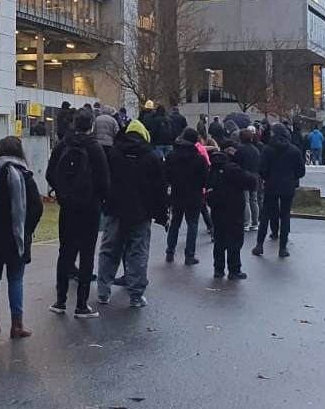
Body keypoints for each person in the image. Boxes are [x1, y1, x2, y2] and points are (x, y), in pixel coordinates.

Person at [95, 120, 167, 308]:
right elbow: (159, 189)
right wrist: (161, 215)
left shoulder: (114, 153)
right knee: (138, 253)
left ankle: (103, 291)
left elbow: (104, 180)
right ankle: (136, 294)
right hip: (141, 212)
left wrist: (104, 203)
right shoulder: (152, 157)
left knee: (109, 251)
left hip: (115, 209)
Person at [47, 110, 110, 318]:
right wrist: (98, 198)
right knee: (86, 253)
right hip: (90, 207)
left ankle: (60, 300)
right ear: (91, 125)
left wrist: (62, 193)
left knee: (65, 252)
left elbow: (50, 173)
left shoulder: (63, 145)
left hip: (68, 206)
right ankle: (82, 304)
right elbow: (104, 180)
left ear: (74, 124)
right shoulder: (95, 147)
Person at [0, 136, 43, 337]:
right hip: (16, 239)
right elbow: (37, 207)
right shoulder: (25, 176)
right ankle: (16, 325)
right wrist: (27, 229)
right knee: (15, 279)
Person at [253, 124, 306, 258]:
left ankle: (259, 245)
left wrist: (268, 178)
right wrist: (292, 178)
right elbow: (301, 171)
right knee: (285, 215)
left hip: (271, 185)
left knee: (265, 215)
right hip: (288, 187)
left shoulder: (268, 149)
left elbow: (262, 169)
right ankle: (282, 248)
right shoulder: (294, 150)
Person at [206, 141, 256, 279]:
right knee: (234, 240)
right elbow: (252, 182)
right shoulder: (234, 168)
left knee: (219, 240)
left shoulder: (213, 167)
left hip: (217, 208)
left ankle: (218, 269)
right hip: (234, 208)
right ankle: (234, 270)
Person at [164, 127, 208, 265]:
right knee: (192, 224)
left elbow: (167, 176)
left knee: (175, 223)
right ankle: (189, 255)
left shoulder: (172, 155)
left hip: (177, 193)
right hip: (194, 195)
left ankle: (170, 251)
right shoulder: (199, 159)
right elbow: (205, 180)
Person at [238, 127, 263, 232]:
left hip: (244, 175)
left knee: (246, 201)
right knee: (254, 200)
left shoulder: (240, 149)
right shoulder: (256, 150)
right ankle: (255, 222)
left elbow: (237, 163)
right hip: (255, 176)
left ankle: (246, 223)